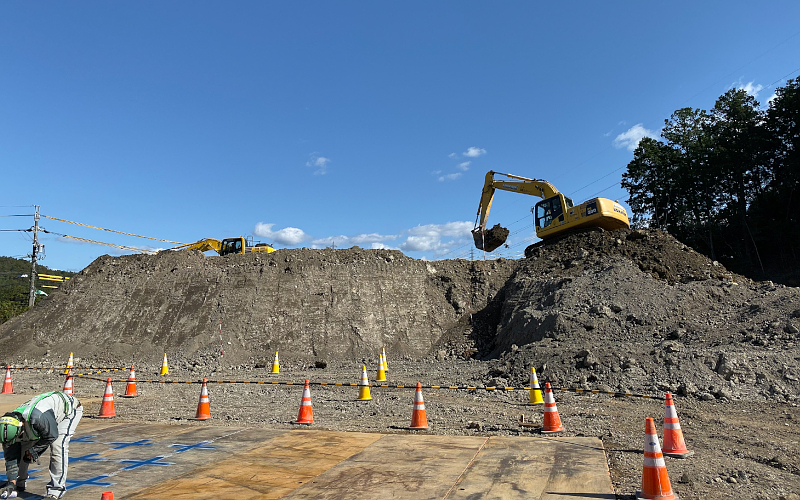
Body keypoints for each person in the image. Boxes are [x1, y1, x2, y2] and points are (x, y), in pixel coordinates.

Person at [0, 391, 82, 499]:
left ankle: (56, 491)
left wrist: (34, 451)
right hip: (43, 419)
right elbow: (11, 458)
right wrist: (11, 482)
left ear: (21, 428)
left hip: (68, 411)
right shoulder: (8, 428)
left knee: (58, 447)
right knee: (23, 447)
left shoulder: (38, 418)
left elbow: (51, 436)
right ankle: (19, 483)